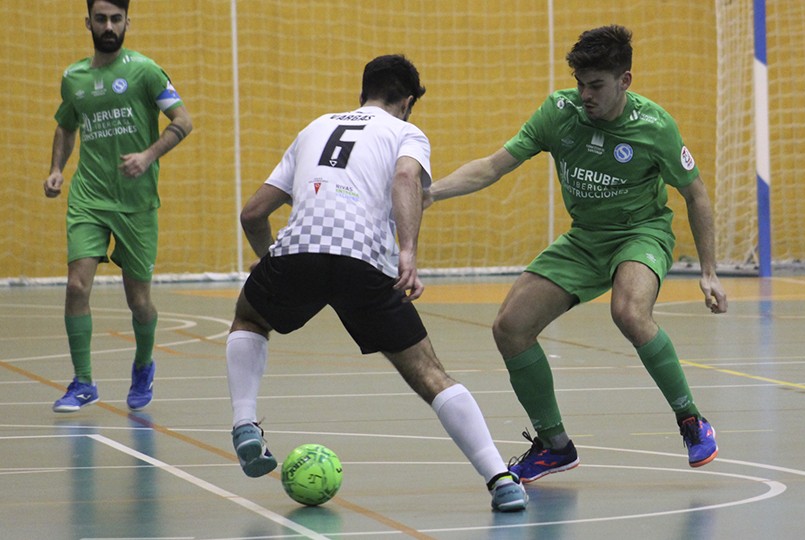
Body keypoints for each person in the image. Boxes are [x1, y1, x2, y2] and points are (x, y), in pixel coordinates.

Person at [425, 25, 728, 483]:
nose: (586, 94)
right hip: (585, 238)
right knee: (510, 328)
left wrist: (709, 272)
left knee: (628, 311)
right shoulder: (558, 113)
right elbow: (492, 166)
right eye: (580, 83)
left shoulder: (655, 127)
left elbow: (697, 196)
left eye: (597, 85)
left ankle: (690, 419)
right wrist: (430, 193)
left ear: (625, 80)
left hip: (640, 232)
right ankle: (554, 446)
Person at [224, 54, 527, 512]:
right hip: (364, 262)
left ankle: (245, 424)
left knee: (250, 318)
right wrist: (407, 251)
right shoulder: (405, 132)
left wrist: (277, 264)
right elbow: (406, 177)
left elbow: (252, 214)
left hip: (298, 251)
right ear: (406, 102)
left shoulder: (315, 127)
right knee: (429, 373)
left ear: (361, 93)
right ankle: (501, 479)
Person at [44, 0, 193, 413]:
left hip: (137, 203)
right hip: (89, 198)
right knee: (76, 286)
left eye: (116, 19)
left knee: (138, 301)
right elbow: (66, 124)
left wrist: (147, 156)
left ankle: (143, 365)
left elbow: (183, 121)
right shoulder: (73, 77)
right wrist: (57, 169)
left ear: (128, 21)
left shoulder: (145, 71)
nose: (108, 26)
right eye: (100, 19)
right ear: (87, 22)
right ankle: (83, 382)